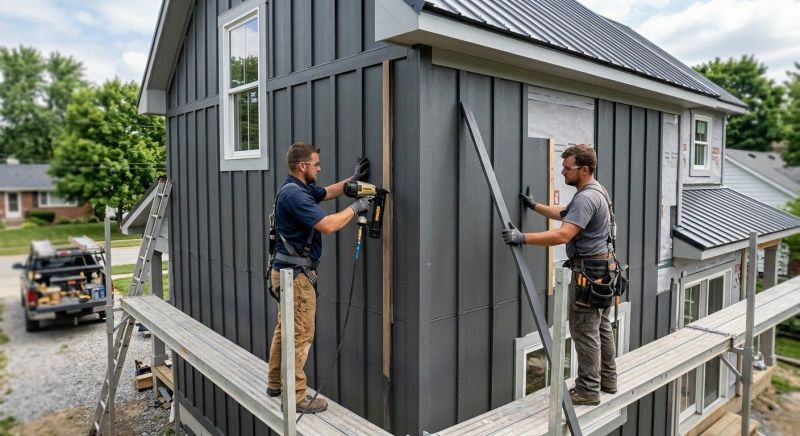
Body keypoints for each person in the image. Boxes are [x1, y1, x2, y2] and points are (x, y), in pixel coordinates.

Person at [502, 144, 617, 406]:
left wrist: (523, 237)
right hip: (603, 270)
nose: (563, 172)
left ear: (584, 170)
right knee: (601, 327)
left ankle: (588, 390)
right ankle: (608, 380)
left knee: (584, 331)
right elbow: (565, 214)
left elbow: (563, 234)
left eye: (568, 168)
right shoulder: (594, 191)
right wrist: (535, 207)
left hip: (589, 273)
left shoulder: (586, 197)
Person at [266, 142, 371, 413]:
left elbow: (326, 193)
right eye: (316, 164)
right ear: (303, 166)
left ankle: (275, 382)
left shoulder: (296, 188)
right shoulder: (296, 196)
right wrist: (355, 208)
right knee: (300, 334)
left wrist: (353, 181)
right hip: (297, 277)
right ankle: (296, 396)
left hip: (285, 271)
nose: (320, 168)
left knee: (284, 329)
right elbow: (327, 226)